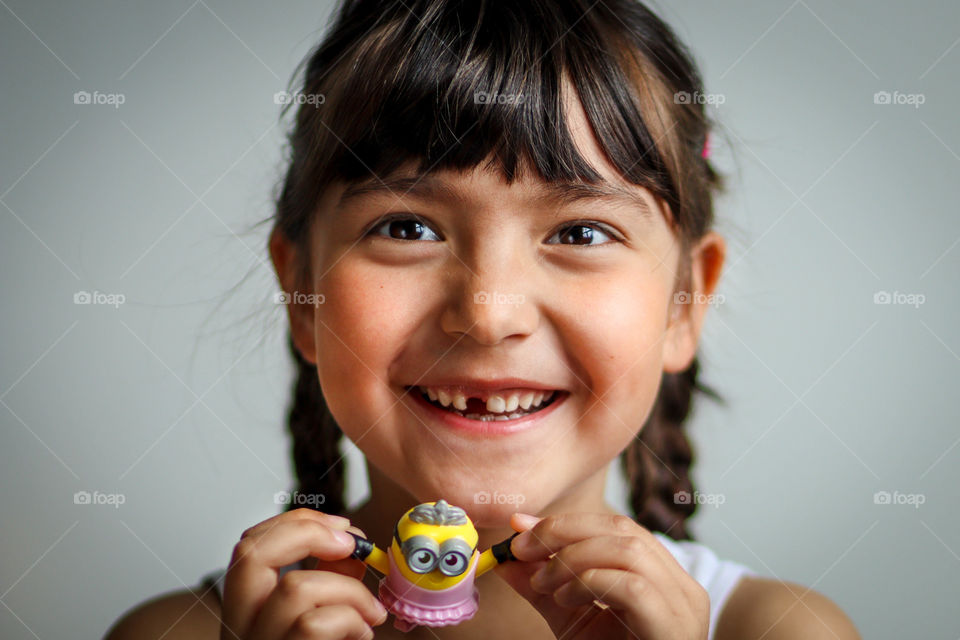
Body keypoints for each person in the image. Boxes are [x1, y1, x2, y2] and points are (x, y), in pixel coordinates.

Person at [105, 0, 862, 638]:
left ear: (683, 303)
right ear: (301, 289)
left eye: (581, 233)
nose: (487, 315)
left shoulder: (777, 629)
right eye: (406, 228)